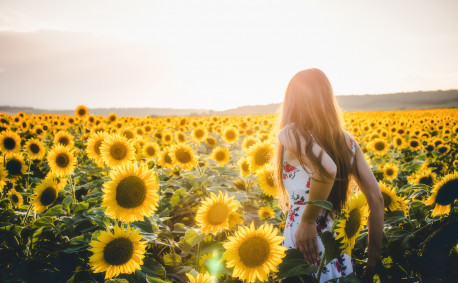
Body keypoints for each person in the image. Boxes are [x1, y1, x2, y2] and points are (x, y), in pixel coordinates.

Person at [273, 68, 384, 282]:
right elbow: (376, 200)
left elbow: (326, 169)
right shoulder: (346, 141)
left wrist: (307, 221)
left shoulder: (292, 133)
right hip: (337, 251)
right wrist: (373, 258)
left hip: (303, 246)